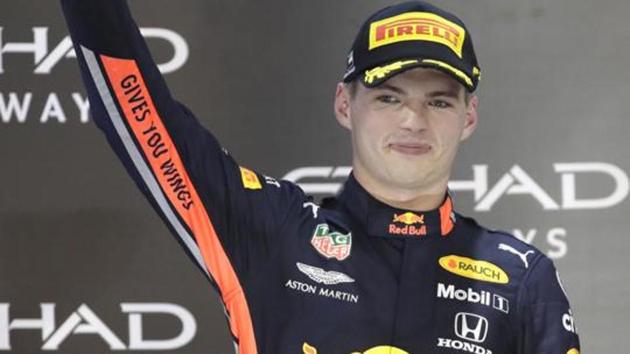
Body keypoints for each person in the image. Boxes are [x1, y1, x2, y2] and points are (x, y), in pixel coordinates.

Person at [61, 0, 581, 353]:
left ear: (469, 116)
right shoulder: (271, 232)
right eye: (388, 96)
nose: (413, 120)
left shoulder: (521, 280)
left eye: (439, 101)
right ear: (343, 104)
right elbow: (135, 111)